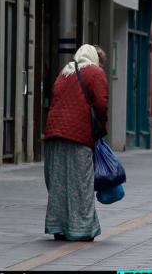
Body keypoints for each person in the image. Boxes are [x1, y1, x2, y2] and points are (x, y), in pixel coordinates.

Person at [44, 44, 109, 241]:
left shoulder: (65, 71)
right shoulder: (95, 73)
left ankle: (59, 227)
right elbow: (101, 103)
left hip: (54, 133)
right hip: (78, 135)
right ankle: (81, 229)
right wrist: (101, 129)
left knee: (59, 183)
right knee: (81, 183)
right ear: (95, 59)